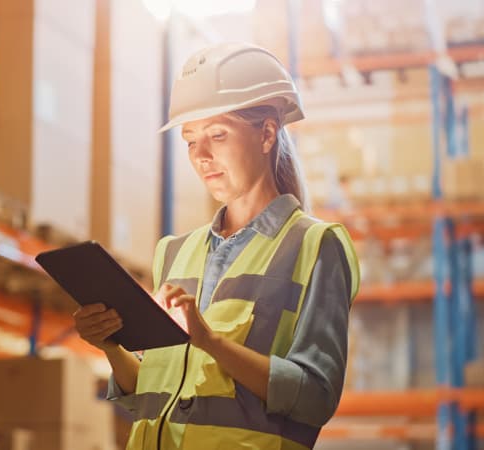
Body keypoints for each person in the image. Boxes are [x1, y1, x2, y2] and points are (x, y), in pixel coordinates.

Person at [73, 42, 360, 450]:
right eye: (190, 141)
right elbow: (152, 394)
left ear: (266, 134)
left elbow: (315, 397)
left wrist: (210, 342)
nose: (201, 155)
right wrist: (109, 345)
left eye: (217, 135)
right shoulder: (173, 252)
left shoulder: (315, 246)